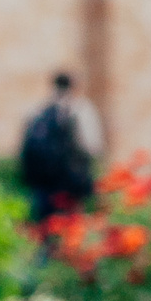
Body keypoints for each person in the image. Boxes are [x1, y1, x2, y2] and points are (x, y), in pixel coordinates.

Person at [18, 72, 102, 225]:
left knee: (46, 226)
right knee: (71, 228)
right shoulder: (80, 109)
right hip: (71, 181)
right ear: (73, 86)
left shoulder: (37, 110)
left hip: (43, 182)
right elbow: (92, 147)